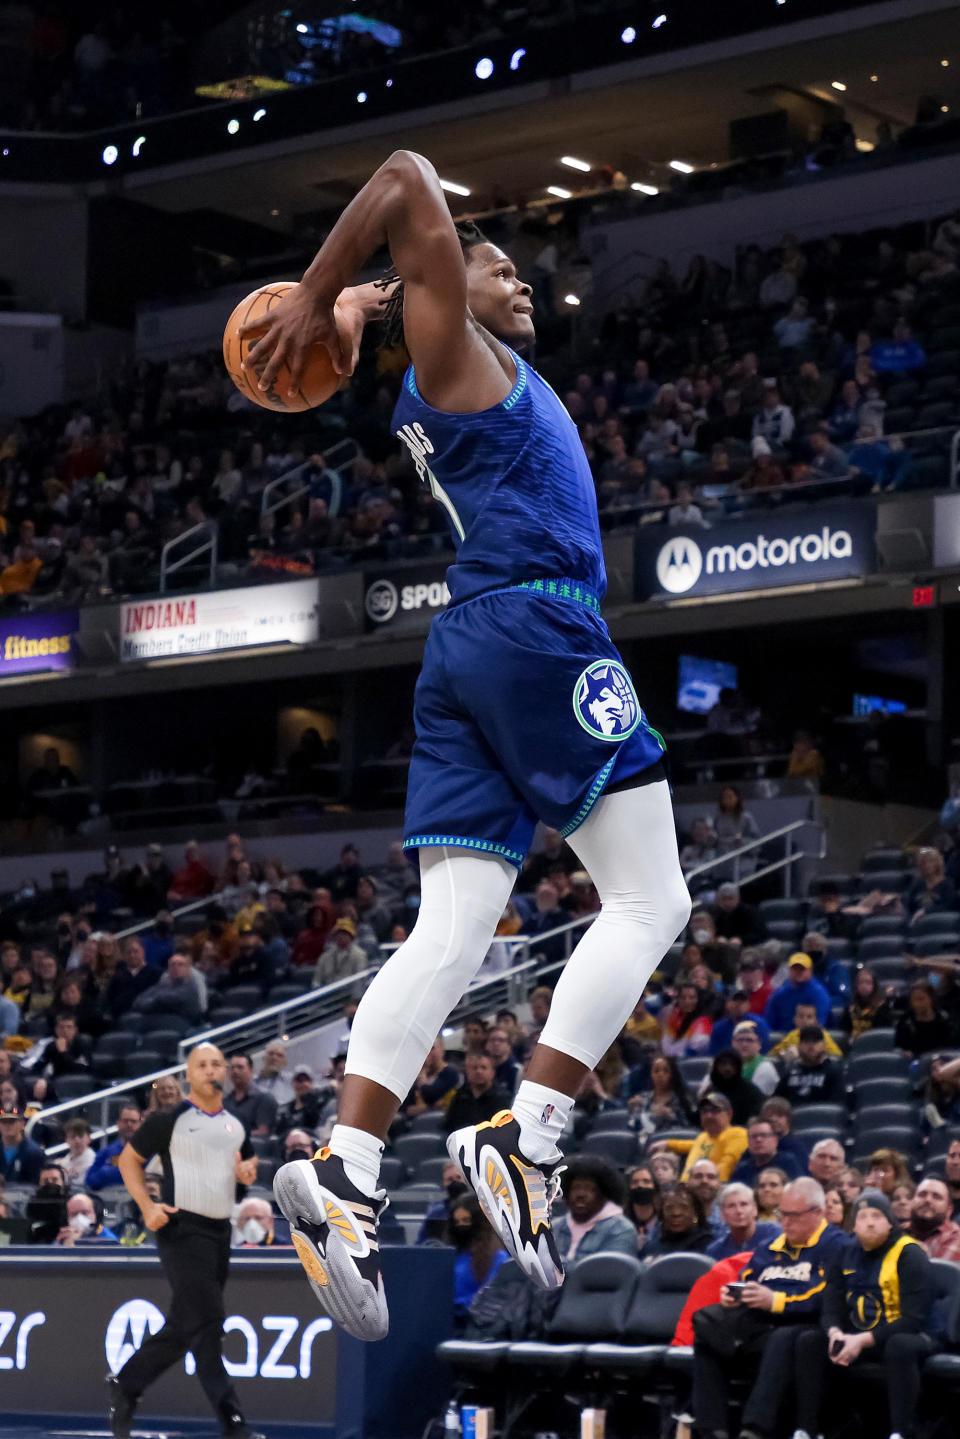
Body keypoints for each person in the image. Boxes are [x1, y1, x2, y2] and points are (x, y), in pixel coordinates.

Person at [254, 149, 691, 1339]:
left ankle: (344, 1168)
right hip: (538, 625)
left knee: (452, 930)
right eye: (495, 264)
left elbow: (421, 204)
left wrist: (361, 303)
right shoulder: (456, 357)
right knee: (653, 900)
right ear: (443, 292)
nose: (520, 279)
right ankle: (528, 1131)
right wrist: (320, 291)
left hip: (465, 649)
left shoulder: (451, 369)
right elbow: (404, 176)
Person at [109, 1043, 261, 1439]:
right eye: (202, 1065)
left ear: (224, 1072)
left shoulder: (236, 1124)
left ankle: (127, 1384)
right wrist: (146, 1207)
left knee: (184, 1326)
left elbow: (244, 1169)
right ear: (189, 1075)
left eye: (217, 1064)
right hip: (181, 1229)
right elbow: (128, 1161)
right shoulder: (168, 1120)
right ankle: (234, 1423)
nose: (211, 1071)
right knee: (208, 1324)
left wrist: (246, 1175)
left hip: (220, 1231)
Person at [691, 1177, 847, 1439]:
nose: (784, 1222)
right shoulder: (772, 1244)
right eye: (781, 1214)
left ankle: (754, 1429)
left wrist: (775, 1300)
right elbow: (748, 1277)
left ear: (817, 1213)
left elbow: (825, 1295)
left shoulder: (837, 1244)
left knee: (782, 1338)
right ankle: (712, 1429)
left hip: (802, 1326)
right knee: (706, 1326)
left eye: (793, 1216)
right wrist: (736, 1294)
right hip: (757, 1322)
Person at [789, 1189, 935, 1439]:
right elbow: (831, 1305)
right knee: (809, 1341)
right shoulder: (843, 1252)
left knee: (900, 1345)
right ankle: (807, 1430)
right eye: (863, 1216)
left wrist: (861, 1340)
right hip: (857, 1336)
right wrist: (835, 1333)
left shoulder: (910, 1253)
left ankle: (901, 1432)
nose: (869, 1222)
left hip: (908, 1335)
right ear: (853, 1225)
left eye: (877, 1215)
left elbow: (914, 1319)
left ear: (890, 1221)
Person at [552, 1155, 638, 1261]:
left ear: (604, 1194)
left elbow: (610, 1271)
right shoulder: (554, 1227)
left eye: (589, 1188)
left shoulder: (621, 1229)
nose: (580, 1194)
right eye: (576, 1187)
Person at [447, 1193, 510, 1331]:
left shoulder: (499, 1259)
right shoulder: (451, 1255)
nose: (461, 1226)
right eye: (457, 1222)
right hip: (446, 1324)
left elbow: (489, 1299)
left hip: (476, 1328)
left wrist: (455, 1305)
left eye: (466, 1220)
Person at [658, 1091, 748, 1182]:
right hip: (685, 1189)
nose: (709, 1115)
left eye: (715, 1110)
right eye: (704, 1111)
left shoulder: (738, 1134)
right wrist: (668, 1144)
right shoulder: (703, 1136)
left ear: (729, 1114)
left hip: (711, 1189)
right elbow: (692, 1145)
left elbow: (727, 1166)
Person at [707, 1182, 781, 1260]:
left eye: (744, 1204)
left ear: (755, 1209)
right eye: (731, 1206)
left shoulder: (774, 1233)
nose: (739, 1211)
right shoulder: (715, 1251)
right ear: (722, 1214)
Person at [775, 1025, 845, 1106]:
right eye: (806, 1041)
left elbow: (837, 1106)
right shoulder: (790, 1072)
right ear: (799, 1046)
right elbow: (776, 1101)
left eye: (815, 1041)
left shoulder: (833, 1071)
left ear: (824, 1045)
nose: (811, 1046)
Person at [444, 1053, 511, 1135]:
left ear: (493, 1072)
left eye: (483, 1067)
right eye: (474, 1068)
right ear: (467, 1072)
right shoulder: (460, 1096)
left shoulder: (502, 1098)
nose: (479, 1071)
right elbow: (449, 1127)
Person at [644, 1182, 714, 1256]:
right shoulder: (650, 1248)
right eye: (669, 1208)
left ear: (695, 1212)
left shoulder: (708, 1245)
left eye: (684, 1207)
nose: (676, 1213)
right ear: (662, 1214)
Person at [764, 953, 831, 1030]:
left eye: (802, 969)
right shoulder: (779, 993)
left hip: (810, 1037)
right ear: (789, 971)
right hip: (783, 1038)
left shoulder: (819, 993)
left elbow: (819, 1024)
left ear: (810, 971)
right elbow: (769, 1022)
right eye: (795, 968)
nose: (798, 972)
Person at [732, 1115, 804, 1187]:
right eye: (753, 1136)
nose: (758, 1140)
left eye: (764, 1135)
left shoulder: (788, 1163)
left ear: (775, 1140)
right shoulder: (742, 1170)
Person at [700, 1049, 763, 1126]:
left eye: (732, 1065)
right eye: (723, 1064)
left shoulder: (751, 1091)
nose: (728, 1068)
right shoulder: (711, 1090)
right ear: (716, 1067)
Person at [86, 1103, 143, 1190]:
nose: (129, 1125)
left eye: (133, 1121)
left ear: (140, 1124)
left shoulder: (149, 1152)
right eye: (125, 1121)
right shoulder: (107, 1151)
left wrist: (106, 1172)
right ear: (118, 1123)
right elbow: (89, 1180)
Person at [895, 980, 957, 1057]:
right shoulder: (905, 1021)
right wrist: (904, 1052)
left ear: (931, 998)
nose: (917, 1004)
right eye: (914, 999)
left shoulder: (944, 1019)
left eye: (922, 999)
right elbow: (899, 1046)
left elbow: (951, 1047)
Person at [224, 1053, 278, 1139]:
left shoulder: (264, 1098)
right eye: (232, 1068)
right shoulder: (226, 1102)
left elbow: (264, 1132)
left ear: (250, 1070)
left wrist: (233, 1135)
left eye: (240, 1067)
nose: (235, 1071)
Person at [910, 1176, 960, 1260]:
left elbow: (937, 1272)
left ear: (949, 1210)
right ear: (912, 1201)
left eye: (937, 1197)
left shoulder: (956, 1237)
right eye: (922, 1194)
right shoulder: (900, 1230)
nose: (928, 1200)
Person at [842, 965, 894, 1039]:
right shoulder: (850, 1007)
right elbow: (844, 1032)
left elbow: (883, 1035)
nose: (864, 986)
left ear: (874, 985)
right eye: (861, 982)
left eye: (868, 983)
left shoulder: (882, 1007)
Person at [0, 1103, 45, 1184]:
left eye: (11, 1121)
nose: (7, 1125)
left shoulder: (34, 1153)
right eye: (3, 1121)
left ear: (22, 1124)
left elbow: (35, 1186)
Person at [731, 1021, 779, 1095]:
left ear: (759, 1044)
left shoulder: (765, 1067)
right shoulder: (724, 1064)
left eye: (749, 1040)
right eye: (740, 1040)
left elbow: (754, 1098)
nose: (744, 1044)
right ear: (733, 1043)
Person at [624, 1163, 661, 1251]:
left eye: (646, 1181)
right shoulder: (621, 1222)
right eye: (635, 1182)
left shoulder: (664, 1221)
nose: (640, 1186)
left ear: (655, 1187)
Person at [62, 1116, 96, 1186]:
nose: (77, 1141)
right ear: (66, 1139)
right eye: (73, 1136)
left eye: (80, 1136)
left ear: (89, 1138)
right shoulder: (64, 1162)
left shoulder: (94, 1162)